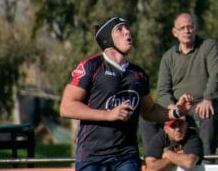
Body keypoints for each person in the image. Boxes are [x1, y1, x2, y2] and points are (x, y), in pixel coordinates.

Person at [60, 17, 193, 171]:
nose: (127, 32)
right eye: (120, 29)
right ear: (107, 38)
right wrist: (108, 115)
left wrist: (177, 111)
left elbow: (149, 111)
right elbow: (66, 107)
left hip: (126, 156)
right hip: (91, 156)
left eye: (127, 28)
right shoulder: (91, 66)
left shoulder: (139, 74)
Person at [146, 13, 218, 158]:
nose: (187, 31)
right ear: (175, 32)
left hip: (202, 103)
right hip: (178, 108)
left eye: (190, 27)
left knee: (207, 113)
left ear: (195, 29)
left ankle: (206, 163)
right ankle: (153, 161)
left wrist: (208, 99)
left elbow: (216, 75)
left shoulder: (208, 47)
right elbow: (162, 90)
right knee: (146, 117)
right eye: (182, 28)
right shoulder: (168, 57)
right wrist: (172, 107)